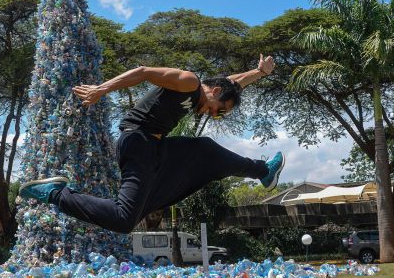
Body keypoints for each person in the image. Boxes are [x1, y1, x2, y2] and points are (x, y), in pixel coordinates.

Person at [19, 54, 285, 234]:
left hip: (155, 147)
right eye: (219, 109)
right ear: (214, 92)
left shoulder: (210, 93)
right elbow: (143, 72)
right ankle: (56, 193)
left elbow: (234, 83)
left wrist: (260, 72)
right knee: (124, 220)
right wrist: (102, 89)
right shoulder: (188, 82)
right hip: (138, 142)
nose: (213, 114)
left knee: (205, 150)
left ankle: (264, 171)